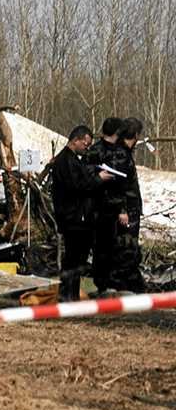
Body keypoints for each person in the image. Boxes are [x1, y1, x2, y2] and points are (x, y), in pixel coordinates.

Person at [51, 125, 114, 302]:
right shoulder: (66, 161)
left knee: (77, 259)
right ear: (76, 140)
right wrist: (98, 179)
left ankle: (72, 294)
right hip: (72, 217)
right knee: (73, 258)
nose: (87, 147)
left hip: (77, 216)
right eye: (85, 144)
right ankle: (66, 295)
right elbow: (78, 186)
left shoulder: (72, 160)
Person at [105, 118, 145, 293]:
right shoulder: (120, 154)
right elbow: (117, 186)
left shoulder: (122, 152)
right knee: (125, 248)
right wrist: (122, 210)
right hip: (126, 210)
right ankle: (122, 285)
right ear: (135, 135)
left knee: (127, 247)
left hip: (129, 209)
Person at [85, 117, 125, 293]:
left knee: (115, 247)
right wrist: (98, 177)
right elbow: (84, 177)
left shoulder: (120, 151)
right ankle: (101, 284)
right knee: (101, 247)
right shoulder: (94, 151)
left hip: (115, 207)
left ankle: (113, 281)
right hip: (98, 207)